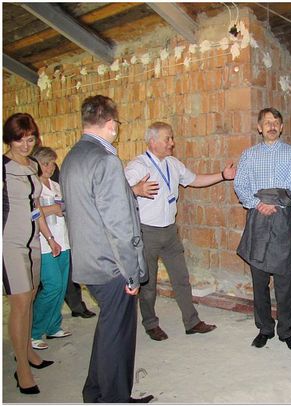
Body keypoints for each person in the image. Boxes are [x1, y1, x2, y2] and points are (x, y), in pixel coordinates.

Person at [60, 95, 153, 403]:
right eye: (118, 124)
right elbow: (119, 225)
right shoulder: (106, 160)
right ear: (111, 124)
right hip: (112, 265)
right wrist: (132, 274)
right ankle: (115, 398)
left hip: (87, 261)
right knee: (119, 336)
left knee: (108, 329)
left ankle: (94, 391)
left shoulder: (72, 157)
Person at [125, 121, 236, 341]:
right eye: (167, 139)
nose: (172, 143)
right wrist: (135, 189)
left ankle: (192, 322)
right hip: (146, 232)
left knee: (181, 278)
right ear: (153, 141)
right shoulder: (138, 166)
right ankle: (150, 324)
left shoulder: (173, 164)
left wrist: (223, 175)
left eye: (172, 138)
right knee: (148, 284)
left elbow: (195, 180)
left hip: (170, 231)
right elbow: (116, 193)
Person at [234, 107, 291, 352]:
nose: (271, 126)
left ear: (282, 127)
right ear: (259, 127)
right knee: (259, 280)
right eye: (267, 122)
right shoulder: (249, 155)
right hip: (257, 219)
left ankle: (286, 331)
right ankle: (265, 328)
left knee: (285, 279)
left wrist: (274, 201)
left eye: (276, 122)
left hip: (282, 218)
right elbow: (241, 184)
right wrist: (257, 203)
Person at [3, 113, 60, 395]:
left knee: (32, 296)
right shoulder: (3, 167)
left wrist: (48, 237)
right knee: (21, 302)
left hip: (33, 240)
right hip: (9, 243)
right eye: (19, 140)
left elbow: (35, 205)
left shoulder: (34, 164)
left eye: (30, 139)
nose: (25, 145)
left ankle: (27, 351)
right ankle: (22, 369)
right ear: (9, 140)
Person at [30, 146, 72, 351]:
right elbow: (32, 213)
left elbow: (65, 208)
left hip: (64, 240)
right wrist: (52, 209)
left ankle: (54, 326)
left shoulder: (56, 185)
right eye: (45, 164)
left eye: (52, 164)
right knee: (52, 286)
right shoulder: (33, 186)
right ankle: (34, 331)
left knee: (61, 287)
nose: (49, 167)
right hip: (45, 243)